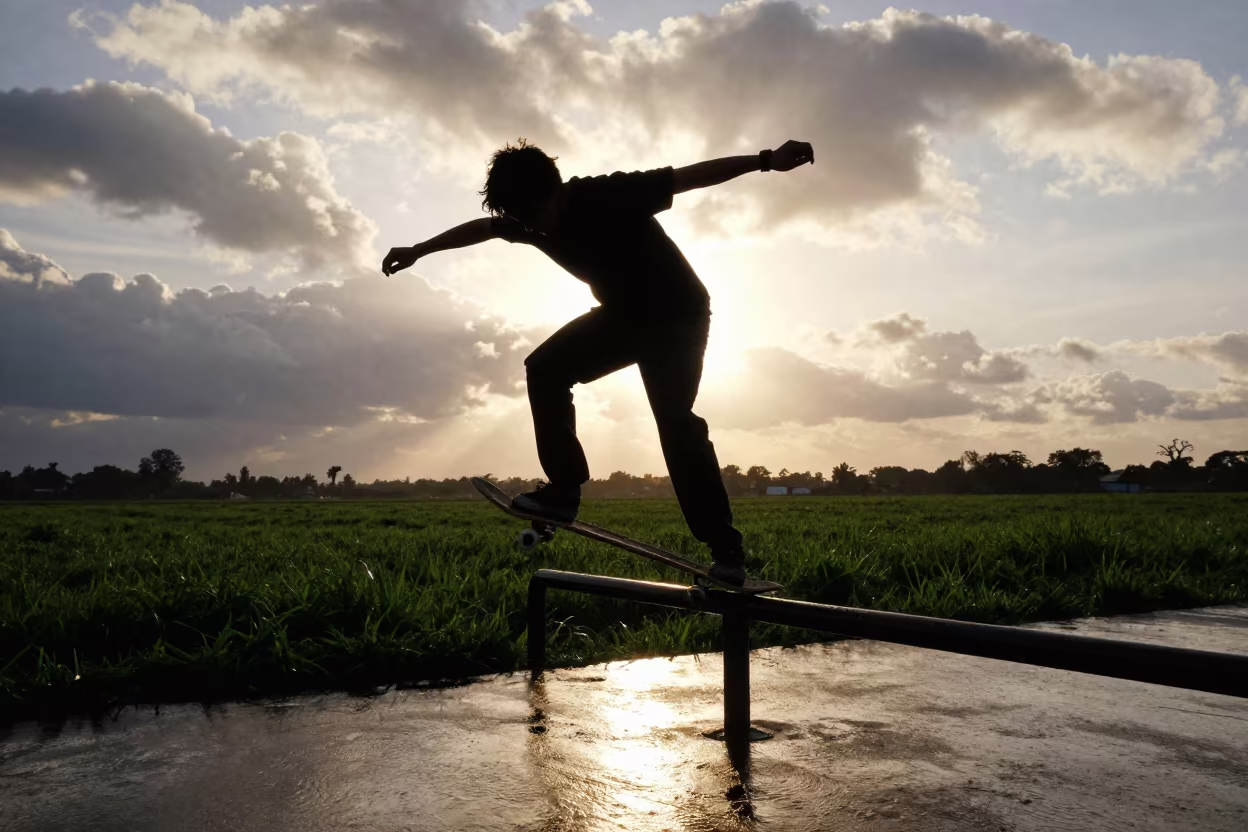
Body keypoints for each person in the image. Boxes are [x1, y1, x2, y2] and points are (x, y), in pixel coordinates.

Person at [383, 139, 814, 584]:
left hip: (676, 315)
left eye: (537, 214)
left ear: (557, 192)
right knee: (545, 368)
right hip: (623, 317)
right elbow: (485, 229)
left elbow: (689, 176)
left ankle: (726, 551)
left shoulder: (607, 194)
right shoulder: (524, 221)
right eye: (523, 220)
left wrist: (765, 162)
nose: (535, 228)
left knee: (675, 422)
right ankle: (564, 490)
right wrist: (419, 249)